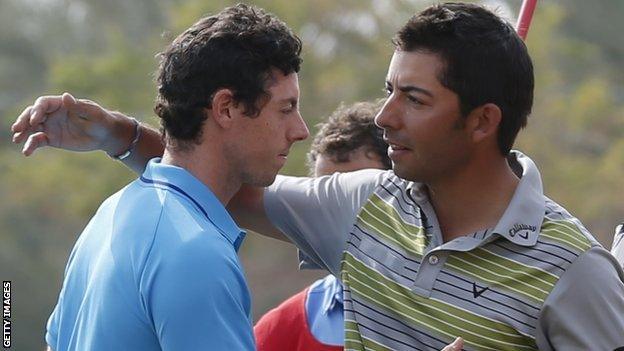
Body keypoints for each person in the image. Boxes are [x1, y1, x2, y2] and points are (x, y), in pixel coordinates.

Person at [13, 2, 624, 351]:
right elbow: (225, 183)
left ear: (482, 120)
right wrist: (121, 135)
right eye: (389, 91)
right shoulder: (363, 205)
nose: (382, 117)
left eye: (413, 98)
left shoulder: (577, 274)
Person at [26, 4, 310, 350]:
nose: (300, 130)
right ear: (226, 108)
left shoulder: (112, 211)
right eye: (285, 109)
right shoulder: (197, 253)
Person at [253, 100, 391, 351]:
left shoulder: (455, 307)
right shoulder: (281, 329)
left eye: (353, 194)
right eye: (322, 194)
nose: (333, 211)